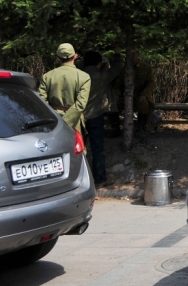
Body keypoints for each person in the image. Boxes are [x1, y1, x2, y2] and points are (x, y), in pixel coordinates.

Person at [80, 47, 124, 186]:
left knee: (80, 149)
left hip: (80, 116)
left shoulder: (78, 75)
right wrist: (117, 54)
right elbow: (116, 68)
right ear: (99, 63)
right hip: (96, 115)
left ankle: (81, 179)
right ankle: (100, 178)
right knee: (98, 148)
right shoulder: (102, 76)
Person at [38, 43, 91, 136]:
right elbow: (80, 105)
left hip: (53, 121)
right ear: (75, 56)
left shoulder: (47, 76)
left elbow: (41, 102)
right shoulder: (84, 77)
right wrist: (66, 122)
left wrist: (56, 121)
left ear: (58, 58)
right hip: (74, 123)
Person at [130, 51, 156, 140]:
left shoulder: (146, 68)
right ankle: (115, 129)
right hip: (127, 97)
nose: (132, 57)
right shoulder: (125, 68)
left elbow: (151, 83)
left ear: (138, 55)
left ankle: (141, 128)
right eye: (130, 54)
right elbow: (118, 84)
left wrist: (144, 94)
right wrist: (117, 94)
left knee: (143, 103)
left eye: (134, 54)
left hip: (140, 95)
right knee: (111, 104)